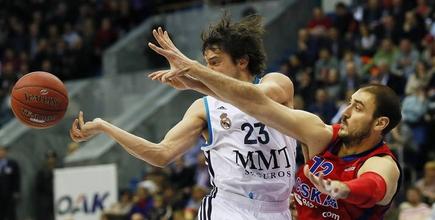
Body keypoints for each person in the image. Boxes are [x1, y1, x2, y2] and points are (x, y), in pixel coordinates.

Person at [147, 21, 402, 220]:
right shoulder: (321, 134)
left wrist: (343, 189)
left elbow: (375, 186)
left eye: (357, 108)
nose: (345, 112)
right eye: (348, 103)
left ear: (379, 123)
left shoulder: (381, 163)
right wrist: (193, 82)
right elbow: (258, 106)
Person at [70, 15, 298, 220]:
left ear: (242, 61)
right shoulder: (204, 108)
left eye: (215, 62)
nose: (209, 69)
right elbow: (161, 154)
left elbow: (253, 99)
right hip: (229, 209)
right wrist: (104, 127)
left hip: (278, 209)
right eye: (206, 63)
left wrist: (194, 73)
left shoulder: (277, 84)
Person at [0, 147, 20, 220]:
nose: (0, 152)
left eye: (2, 150)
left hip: (9, 194)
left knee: (11, 214)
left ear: (5, 152)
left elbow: (16, 178)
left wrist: (16, 192)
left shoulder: (12, 164)